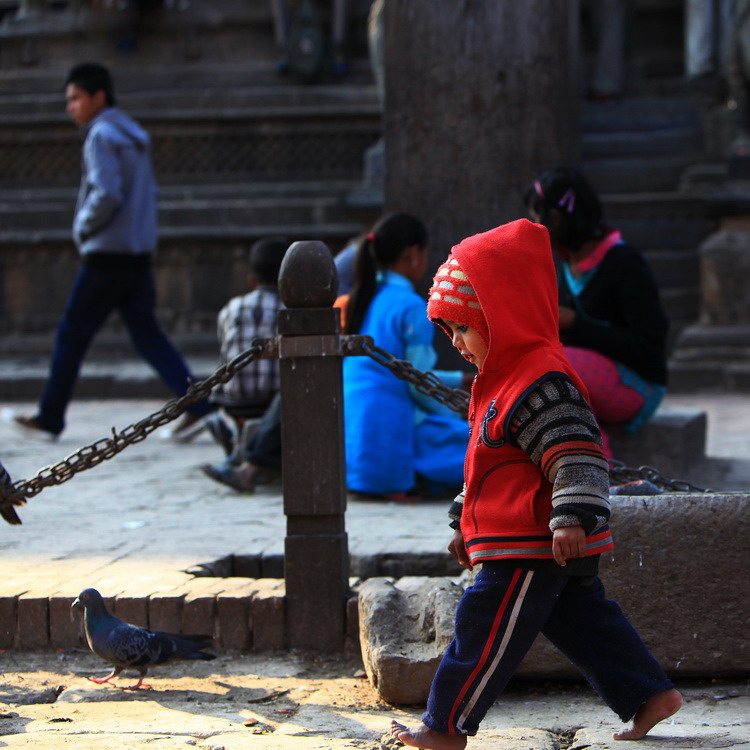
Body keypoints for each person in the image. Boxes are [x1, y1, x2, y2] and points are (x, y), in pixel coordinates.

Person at [390, 219, 682, 749]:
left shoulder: (540, 381)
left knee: (482, 630)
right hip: (524, 536)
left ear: (499, 316)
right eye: (449, 332)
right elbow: (490, 468)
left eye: (462, 328)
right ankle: (649, 695)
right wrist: (465, 522)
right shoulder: (501, 381)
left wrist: (572, 516)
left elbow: (576, 453)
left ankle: (445, 727)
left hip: (534, 540)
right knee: (584, 624)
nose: (455, 343)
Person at [12, 62, 210, 441]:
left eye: (75, 98)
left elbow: (107, 192)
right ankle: (199, 405)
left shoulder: (101, 135)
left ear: (97, 96)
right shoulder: (133, 135)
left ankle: (50, 416)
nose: (70, 107)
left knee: (72, 335)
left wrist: (83, 225)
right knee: (147, 335)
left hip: (107, 256)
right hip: (135, 253)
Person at [525, 166, 669, 459]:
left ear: (554, 218)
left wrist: (575, 324)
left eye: (535, 218)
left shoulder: (623, 264)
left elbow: (648, 346)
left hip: (639, 386)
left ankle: (602, 465)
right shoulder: (568, 263)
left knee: (548, 364)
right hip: (590, 378)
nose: (532, 226)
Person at [339, 213, 471, 500]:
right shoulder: (411, 306)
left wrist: (458, 379)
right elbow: (420, 385)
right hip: (393, 432)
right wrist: (461, 410)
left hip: (353, 438)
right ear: (413, 254)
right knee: (482, 443)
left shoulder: (361, 298)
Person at [200, 237, 289, 493]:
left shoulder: (231, 307)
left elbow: (225, 351)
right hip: (273, 403)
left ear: (251, 280)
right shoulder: (290, 309)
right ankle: (251, 464)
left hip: (233, 401)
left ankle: (236, 443)